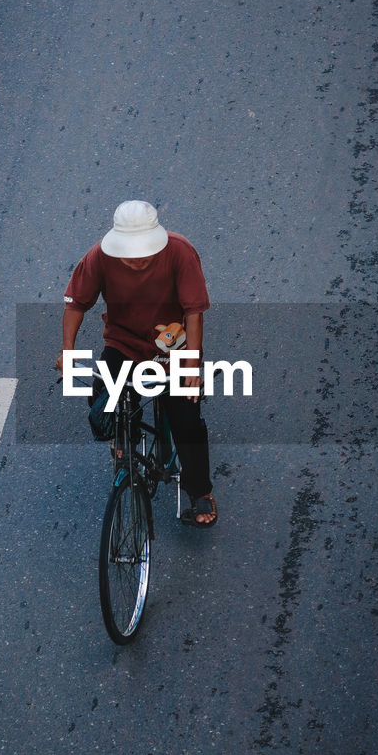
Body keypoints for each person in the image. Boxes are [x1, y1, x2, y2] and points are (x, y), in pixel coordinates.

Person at [54, 200, 217, 527]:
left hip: (172, 350)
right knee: (104, 399)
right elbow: (75, 305)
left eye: (143, 251)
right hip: (123, 343)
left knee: (187, 419)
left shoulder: (181, 253)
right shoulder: (100, 257)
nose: (136, 258)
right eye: (128, 251)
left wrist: (191, 368)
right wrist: (68, 350)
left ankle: (201, 491)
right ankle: (122, 439)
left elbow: (193, 314)